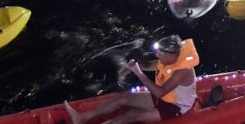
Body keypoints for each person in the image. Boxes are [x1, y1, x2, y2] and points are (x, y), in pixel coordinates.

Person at [65, 35, 200, 123]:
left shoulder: (183, 71)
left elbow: (160, 92)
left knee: (131, 115)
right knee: (123, 98)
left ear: (174, 55)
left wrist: (138, 73)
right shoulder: (166, 60)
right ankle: (82, 118)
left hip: (175, 107)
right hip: (164, 98)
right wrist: (130, 66)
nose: (157, 55)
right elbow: (147, 66)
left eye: (161, 53)